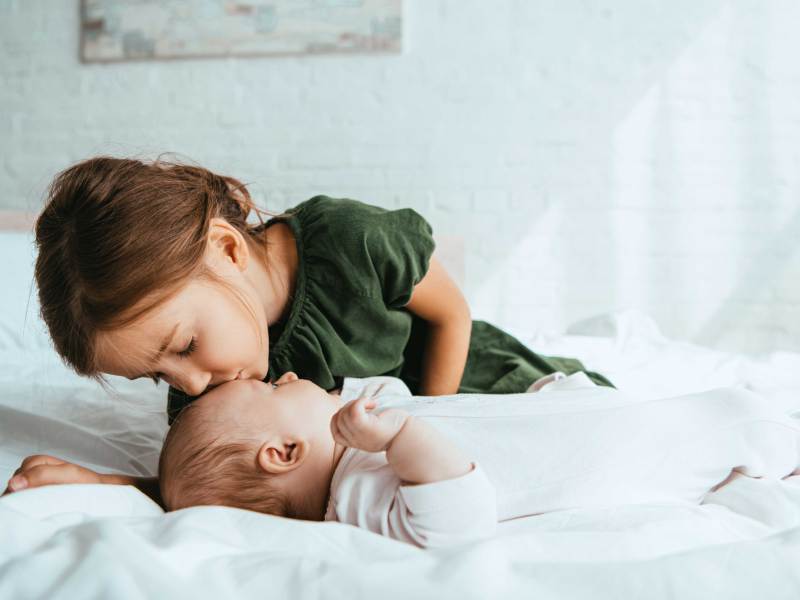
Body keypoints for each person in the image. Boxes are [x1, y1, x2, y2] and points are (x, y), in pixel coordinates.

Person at [3, 156, 611, 504]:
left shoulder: (353, 240)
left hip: (465, 386)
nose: (187, 385)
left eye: (184, 346)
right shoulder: (215, 392)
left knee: (586, 443)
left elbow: (451, 314)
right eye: (155, 375)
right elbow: (232, 484)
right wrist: (106, 482)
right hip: (403, 465)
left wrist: (431, 417)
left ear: (227, 251)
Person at [159, 374, 800, 548]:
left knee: (636, 407)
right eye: (274, 389)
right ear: (284, 454)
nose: (289, 374)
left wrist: (370, 415)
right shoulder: (355, 499)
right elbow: (457, 518)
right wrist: (394, 439)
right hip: (632, 450)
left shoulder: (353, 442)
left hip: (574, 427)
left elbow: (401, 396)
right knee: (739, 419)